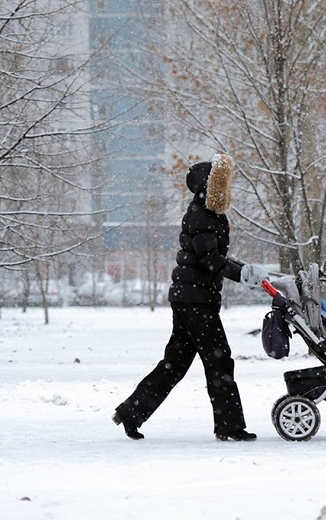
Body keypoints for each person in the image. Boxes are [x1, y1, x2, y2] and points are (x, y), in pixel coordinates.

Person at [112, 154, 270, 441]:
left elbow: (214, 258)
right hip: (196, 302)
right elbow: (211, 259)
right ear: (207, 188)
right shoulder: (201, 216)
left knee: (174, 364)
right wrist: (243, 273)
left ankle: (130, 412)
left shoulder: (208, 215)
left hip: (192, 299)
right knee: (219, 361)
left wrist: (244, 270)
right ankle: (229, 426)